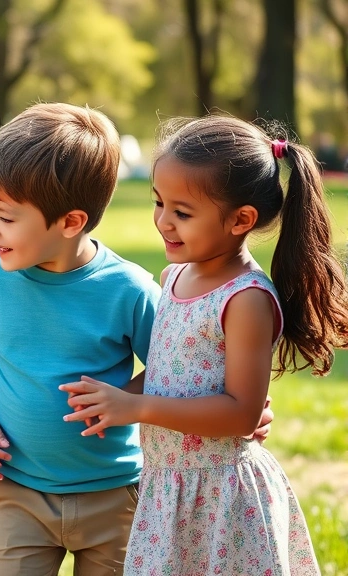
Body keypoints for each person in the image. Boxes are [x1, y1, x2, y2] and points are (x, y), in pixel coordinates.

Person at [60, 116, 345, 575]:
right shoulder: (175, 277)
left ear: (241, 220)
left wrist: (139, 409)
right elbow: (171, 371)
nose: (162, 222)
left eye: (182, 212)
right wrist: (116, 399)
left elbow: (240, 414)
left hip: (220, 498)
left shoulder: (245, 299)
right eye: (158, 203)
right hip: (168, 492)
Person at [0, 103, 161, 575]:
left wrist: (126, 399)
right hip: (18, 492)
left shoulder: (130, 290)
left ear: (70, 222)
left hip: (115, 494)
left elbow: (174, 369)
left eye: (6, 216)